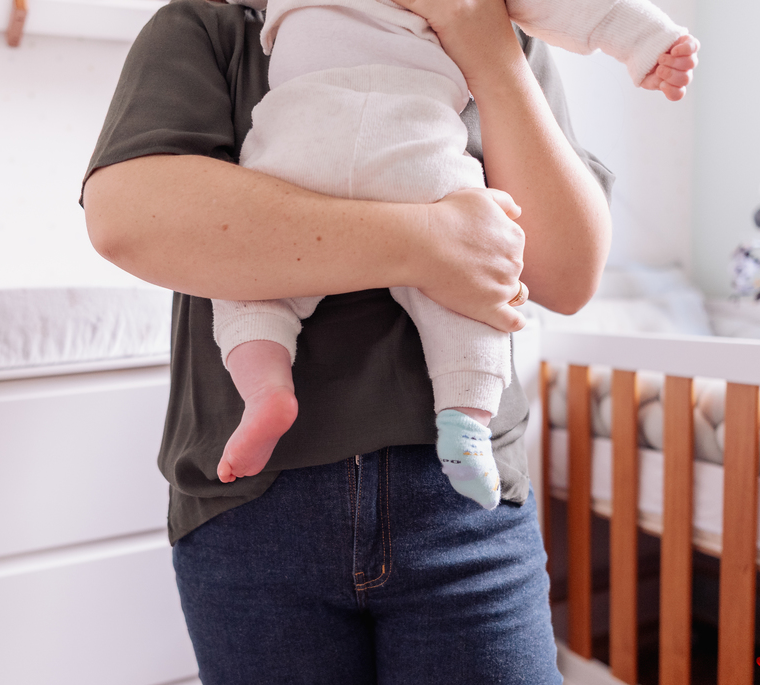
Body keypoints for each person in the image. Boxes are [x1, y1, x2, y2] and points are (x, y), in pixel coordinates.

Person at [81, 0, 696, 685]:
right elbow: (131, 217)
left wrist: (491, 54)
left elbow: (568, 273)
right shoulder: (213, 27)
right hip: (252, 521)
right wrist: (428, 241)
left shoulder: (497, 30)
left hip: (466, 512)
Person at [210, 0, 697, 511]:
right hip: (418, 145)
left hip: (298, 141)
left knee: (249, 283)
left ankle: (266, 388)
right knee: (477, 282)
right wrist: (649, 40)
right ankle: (466, 423)